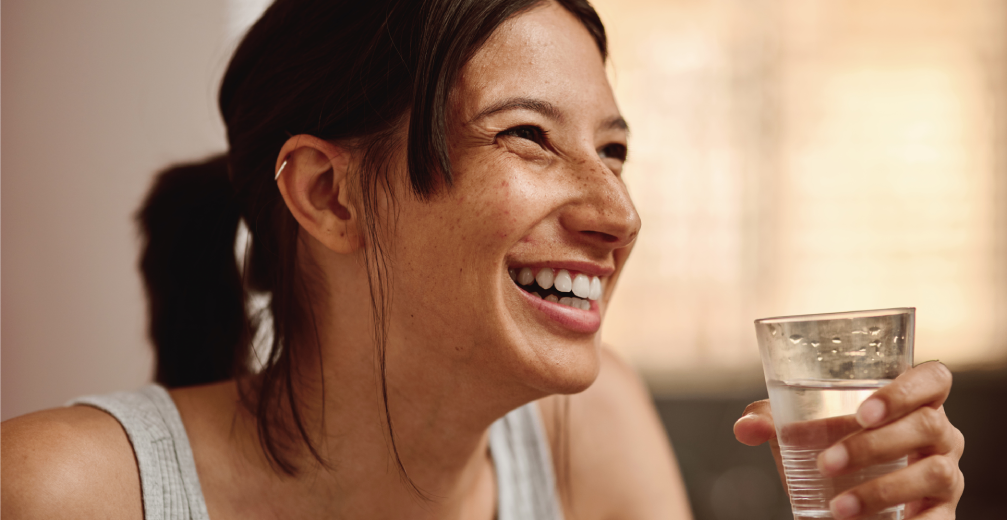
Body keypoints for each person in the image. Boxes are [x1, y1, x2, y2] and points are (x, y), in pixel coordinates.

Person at [0, 1, 963, 519]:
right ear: (329, 198)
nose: (617, 212)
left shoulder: (587, 437)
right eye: (530, 138)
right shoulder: (59, 494)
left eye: (614, 150)